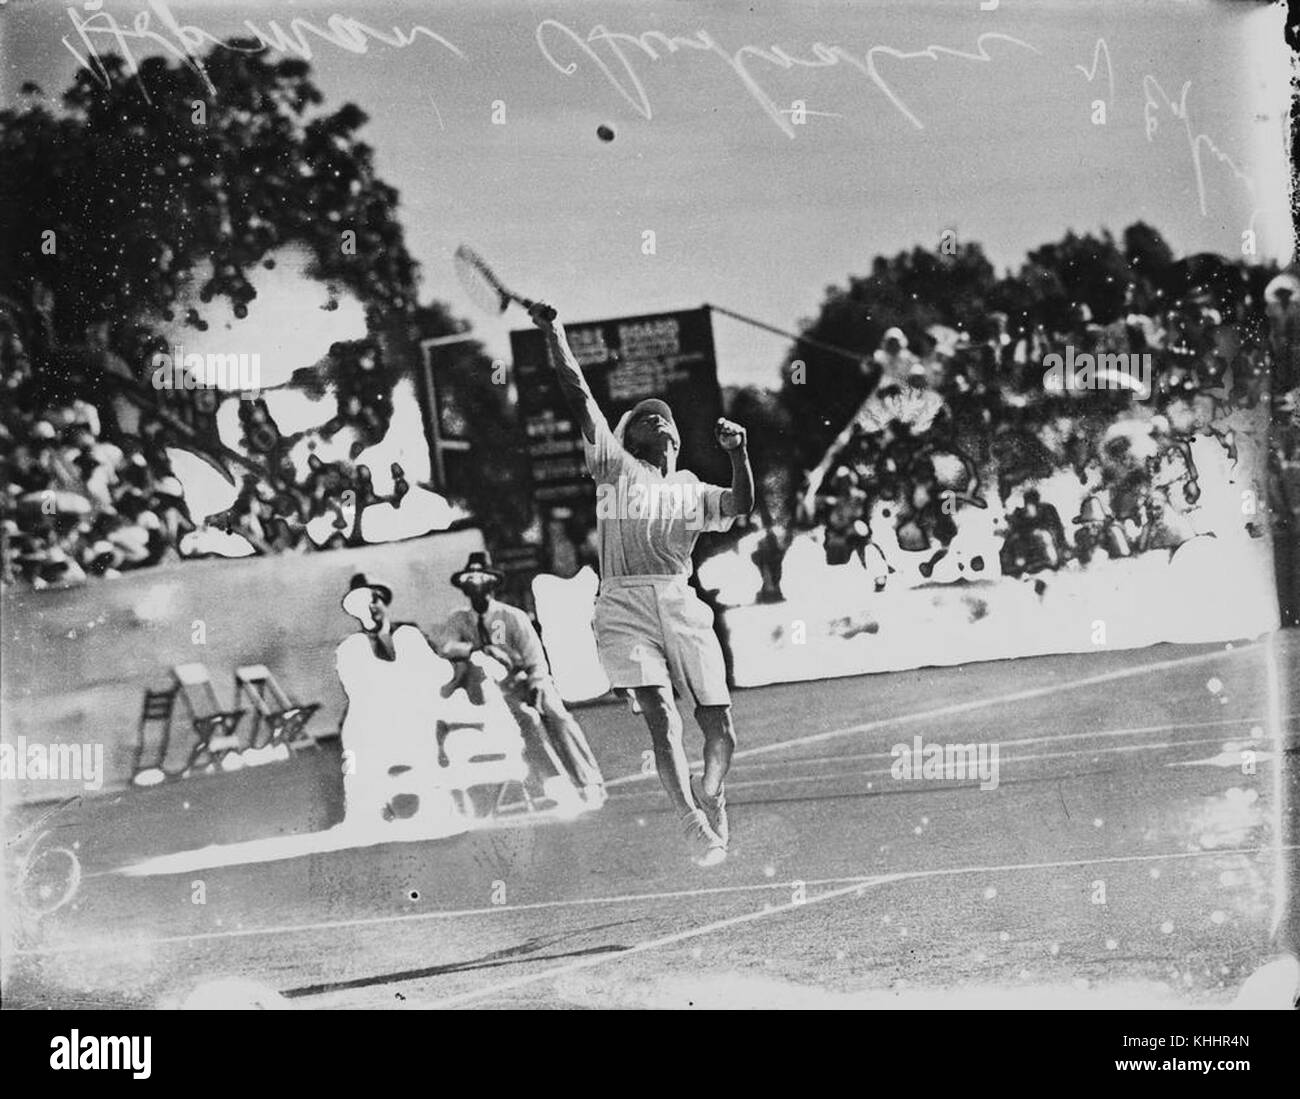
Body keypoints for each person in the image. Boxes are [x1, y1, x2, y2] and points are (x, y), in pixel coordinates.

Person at [530, 301, 753, 866]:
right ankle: (689, 819)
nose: (654, 419)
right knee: (660, 715)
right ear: (627, 437)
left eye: (662, 416)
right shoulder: (613, 468)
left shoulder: (693, 488)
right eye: (642, 416)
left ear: (675, 439)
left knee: (720, 729)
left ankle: (712, 793)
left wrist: (739, 453)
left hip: (680, 598)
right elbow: (578, 391)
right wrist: (555, 329)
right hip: (623, 603)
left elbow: (741, 504)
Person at [434, 550, 606, 809]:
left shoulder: (512, 616)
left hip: (525, 681)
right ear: (465, 589)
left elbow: (535, 659)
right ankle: (556, 784)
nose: (478, 588)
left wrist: (536, 687)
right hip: (492, 691)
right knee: (526, 722)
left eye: (483, 581)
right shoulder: (460, 619)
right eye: (471, 582)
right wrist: (475, 650)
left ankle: (589, 782)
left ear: (492, 585)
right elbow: (445, 646)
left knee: (556, 714)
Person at [334, 573, 458, 830]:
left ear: (384, 603)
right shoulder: (352, 648)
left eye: (375, 600)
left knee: (425, 727)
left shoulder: (409, 635)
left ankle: (438, 806)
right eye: (362, 605)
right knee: (353, 740)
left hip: (415, 716)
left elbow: (440, 673)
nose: (371, 608)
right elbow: (360, 691)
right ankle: (364, 813)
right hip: (376, 721)